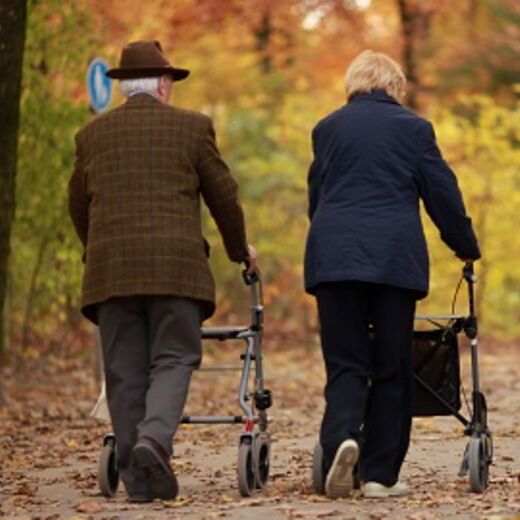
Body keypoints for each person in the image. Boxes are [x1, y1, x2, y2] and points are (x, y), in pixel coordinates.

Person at [68, 40, 256, 503]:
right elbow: (224, 198)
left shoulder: (92, 135)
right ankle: (154, 441)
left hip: (110, 272)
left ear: (122, 88)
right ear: (165, 85)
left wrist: (99, 250)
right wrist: (239, 251)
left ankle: (138, 475)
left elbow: (77, 204)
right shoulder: (193, 128)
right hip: (176, 270)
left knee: (124, 369)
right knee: (174, 357)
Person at [304, 50, 480, 499]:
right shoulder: (414, 129)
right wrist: (464, 244)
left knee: (345, 363)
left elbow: (317, 197)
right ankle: (380, 475)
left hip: (335, 257)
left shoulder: (327, 129)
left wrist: (332, 246)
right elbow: (442, 191)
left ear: (354, 84)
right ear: (394, 86)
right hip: (392, 260)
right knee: (391, 368)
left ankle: (343, 437)